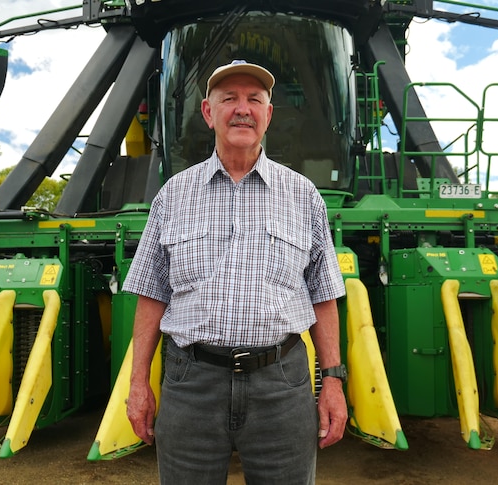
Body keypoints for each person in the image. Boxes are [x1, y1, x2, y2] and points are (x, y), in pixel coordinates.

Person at [124, 60, 347, 484]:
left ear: (268, 114)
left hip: (281, 385)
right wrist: (138, 384)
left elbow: (323, 295)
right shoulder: (173, 195)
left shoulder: (304, 196)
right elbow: (152, 294)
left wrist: (332, 382)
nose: (242, 109)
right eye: (229, 99)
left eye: (254, 100)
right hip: (191, 384)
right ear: (209, 112)